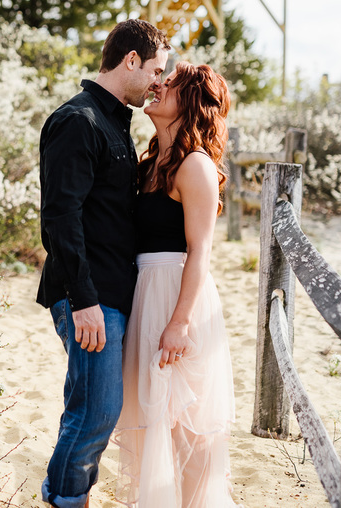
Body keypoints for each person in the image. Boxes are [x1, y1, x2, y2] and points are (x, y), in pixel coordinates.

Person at [36, 19, 170, 508]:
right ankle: (65, 500)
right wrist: (83, 300)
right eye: (156, 70)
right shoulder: (80, 120)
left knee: (92, 410)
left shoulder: (114, 120)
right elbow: (59, 218)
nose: (159, 81)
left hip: (111, 291)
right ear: (130, 60)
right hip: (89, 296)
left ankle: (68, 497)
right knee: (95, 413)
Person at [114, 62, 237, 508]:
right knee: (153, 419)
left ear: (190, 102)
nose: (157, 85)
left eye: (170, 83)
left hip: (179, 299)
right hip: (146, 293)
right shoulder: (151, 163)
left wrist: (180, 322)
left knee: (187, 422)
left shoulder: (196, 166)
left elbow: (200, 250)